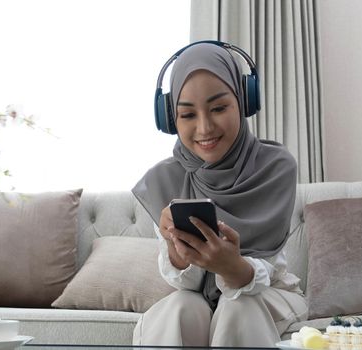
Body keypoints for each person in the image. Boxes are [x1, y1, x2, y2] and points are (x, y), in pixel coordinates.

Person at [131, 41, 307, 347]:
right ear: (171, 120)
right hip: (198, 297)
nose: (204, 127)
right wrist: (177, 254)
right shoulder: (165, 179)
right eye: (187, 115)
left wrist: (233, 267)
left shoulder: (274, 167)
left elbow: (265, 268)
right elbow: (182, 283)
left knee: (238, 307)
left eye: (219, 108)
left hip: (268, 292)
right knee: (178, 308)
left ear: (244, 101)